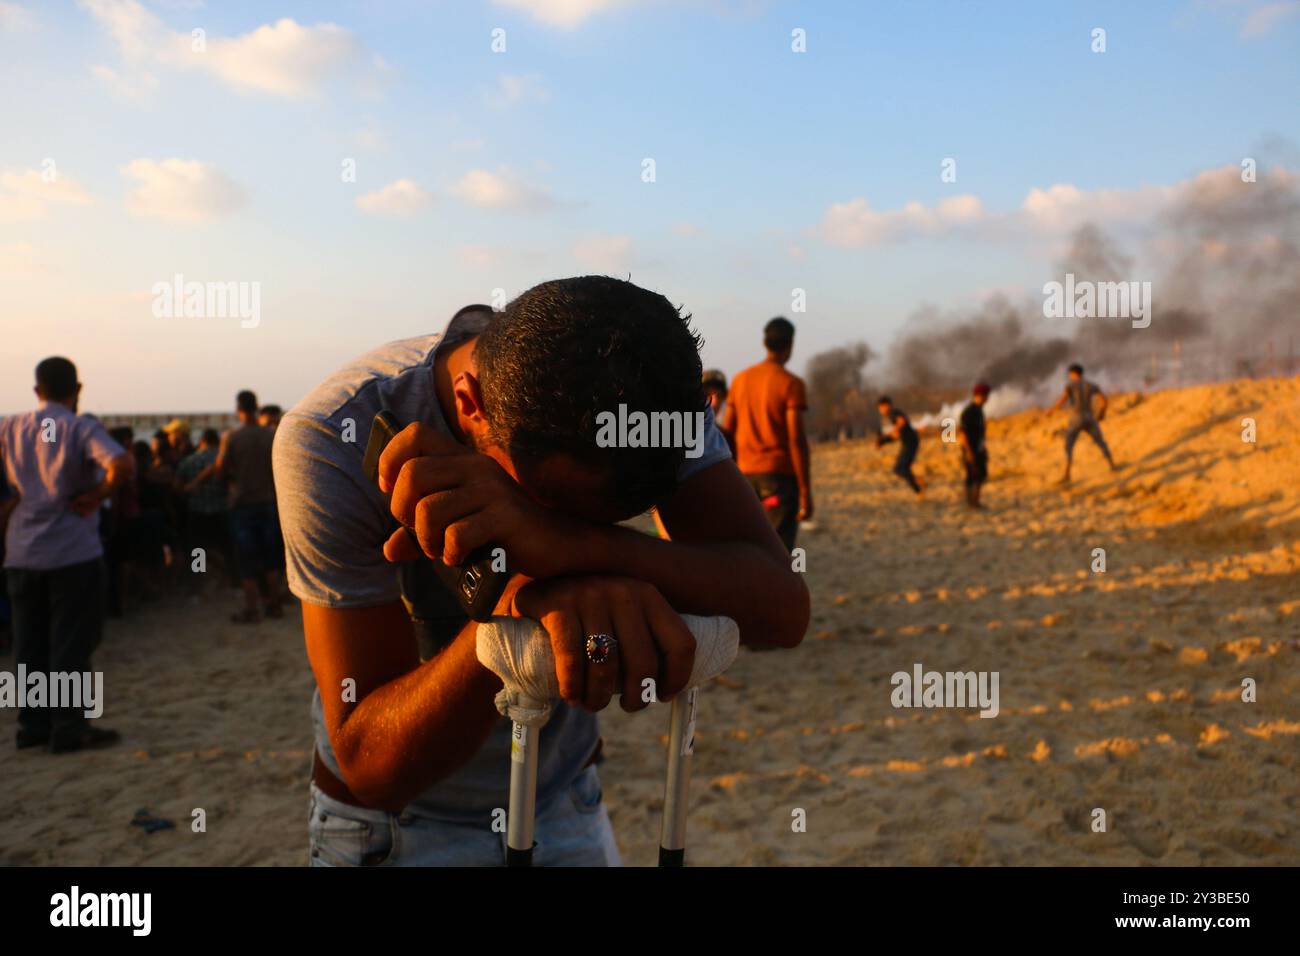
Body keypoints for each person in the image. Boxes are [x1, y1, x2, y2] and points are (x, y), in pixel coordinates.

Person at [273, 277, 809, 867]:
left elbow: (784, 612)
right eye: (548, 504)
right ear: (470, 405)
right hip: (394, 830)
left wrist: (568, 547)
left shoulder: (653, 403)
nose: (566, 530)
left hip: (564, 800)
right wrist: (516, 620)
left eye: (606, 523)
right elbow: (372, 765)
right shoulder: (333, 435)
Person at [0, 357, 131, 752]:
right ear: (77, 390)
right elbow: (121, 463)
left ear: (37, 391)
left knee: (29, 643)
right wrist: (98, 496)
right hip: (72, 550)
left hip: (22, 550)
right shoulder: (79, 426)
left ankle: (33, 725)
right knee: (71, 641)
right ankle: (70, 726)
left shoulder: (10, 426)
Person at [720, 317, 812, 552]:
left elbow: (727, 431)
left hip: (744, 476)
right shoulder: (791, 384)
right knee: (779, 551)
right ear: (790, 345)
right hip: (778, 477)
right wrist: (805, 490)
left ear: (765, 342)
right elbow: (796, 440)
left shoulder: (740, 381)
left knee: (749, 548)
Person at [211, 391, 282, 623]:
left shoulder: (232, 437)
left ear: (238, 409)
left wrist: (234, 477)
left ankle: (252, 609)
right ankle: (274, 604)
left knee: (247, 561)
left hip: (242, 503)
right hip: (268, 501)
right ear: (256, 406)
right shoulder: (270, 435)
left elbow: (220, 470)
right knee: (271, 558)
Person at [177, 428, 228, 592]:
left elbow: (177, 486)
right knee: (223, 546)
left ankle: (199, 583)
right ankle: (226, 579)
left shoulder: (189, 460)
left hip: (197, 510)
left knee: (198, 549)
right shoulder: (223, 460)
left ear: (202, 441)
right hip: (221, 509)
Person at [1049, 363, 1116, 483]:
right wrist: (1102, 414)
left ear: (1073, 373)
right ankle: (1112, 465)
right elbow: (1104, 401)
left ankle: (1067, 474)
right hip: (1090, 417)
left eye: (1070, 374)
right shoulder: (1091, 385)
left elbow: (1062, 400)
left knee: (1069, 445)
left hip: (1076, 418)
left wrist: (1051, 410)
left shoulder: (1070, 385)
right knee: (1100, 442)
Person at [877, 396, 923, 496]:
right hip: (908, 442)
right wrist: (884, 441)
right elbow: (897, 434)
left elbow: (902, 421)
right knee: (900, 468)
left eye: (880, 408)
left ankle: (919, 489)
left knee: (900, 468)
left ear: (886, 405)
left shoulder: (893, 413)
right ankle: (918, 485)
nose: (880, 410)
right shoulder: (893, 414)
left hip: (911, 442)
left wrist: (893, 432)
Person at [958, 383, 990, 508]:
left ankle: (974, 502)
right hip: (971, 449)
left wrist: (983, 449)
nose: (988, 398)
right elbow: (962, 433)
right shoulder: (969, 411)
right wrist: (969, 452)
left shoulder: (979, 410)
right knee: (973, 475)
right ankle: (972, 503)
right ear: (981, 395)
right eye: (986, 395)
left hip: (978, 448)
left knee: (980, 474)